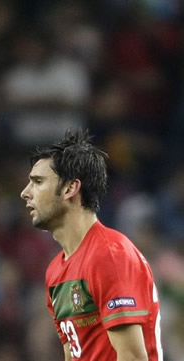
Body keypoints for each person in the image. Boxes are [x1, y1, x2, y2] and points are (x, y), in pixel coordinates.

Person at [20, 130, 163, 361]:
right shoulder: (55, 272)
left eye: (38, 182)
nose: (25, 193)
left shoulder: (110, 254)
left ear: (70, 188)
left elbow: (133, 357)